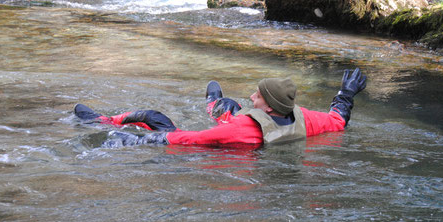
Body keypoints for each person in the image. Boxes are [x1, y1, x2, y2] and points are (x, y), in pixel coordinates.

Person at [74, 68, 366, 146]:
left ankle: (101, 121)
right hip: (250, 131)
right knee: (231, 104)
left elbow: (188, 139)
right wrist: (346, 92)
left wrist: (128, 140)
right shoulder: (305, 118)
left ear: (268, 106)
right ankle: (215, 102)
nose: (253, 95)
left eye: (259, 95)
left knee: (152, 117)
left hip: (228, 139)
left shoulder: (239, 130)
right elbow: (339, 120)